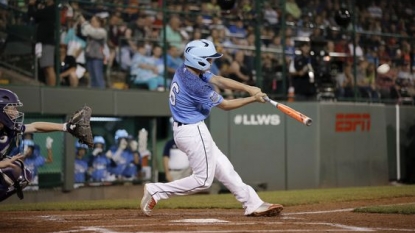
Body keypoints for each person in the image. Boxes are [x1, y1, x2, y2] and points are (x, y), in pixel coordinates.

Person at [140, 39, 283, 217]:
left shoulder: (186, 70)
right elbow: (226, 105)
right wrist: (253, 99)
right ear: (197, 59)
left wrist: (248, 88)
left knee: (224, 168)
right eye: (208, 59)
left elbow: (218, 79)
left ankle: (253, 203)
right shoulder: (195, 85)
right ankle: (156, 190)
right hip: (192, 131)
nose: (211, 62)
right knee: (203, 181)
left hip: (189, 129)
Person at [0, 88, 89, 201]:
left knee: (22, 173)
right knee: (9, 169)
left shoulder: (9, 129)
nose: (16, 112)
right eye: (12, 108)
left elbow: (35, 126)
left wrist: (66, 127)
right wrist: (2, 164)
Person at [28, 0, 57, 86]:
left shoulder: (52, 9)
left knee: (49, 67)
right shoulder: (46, 8)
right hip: (43, 41)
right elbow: (35, 18)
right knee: (45, 68)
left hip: (47, 41)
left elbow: (34, 14)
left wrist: (31, 5)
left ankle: (52, 90)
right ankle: (49, 87)